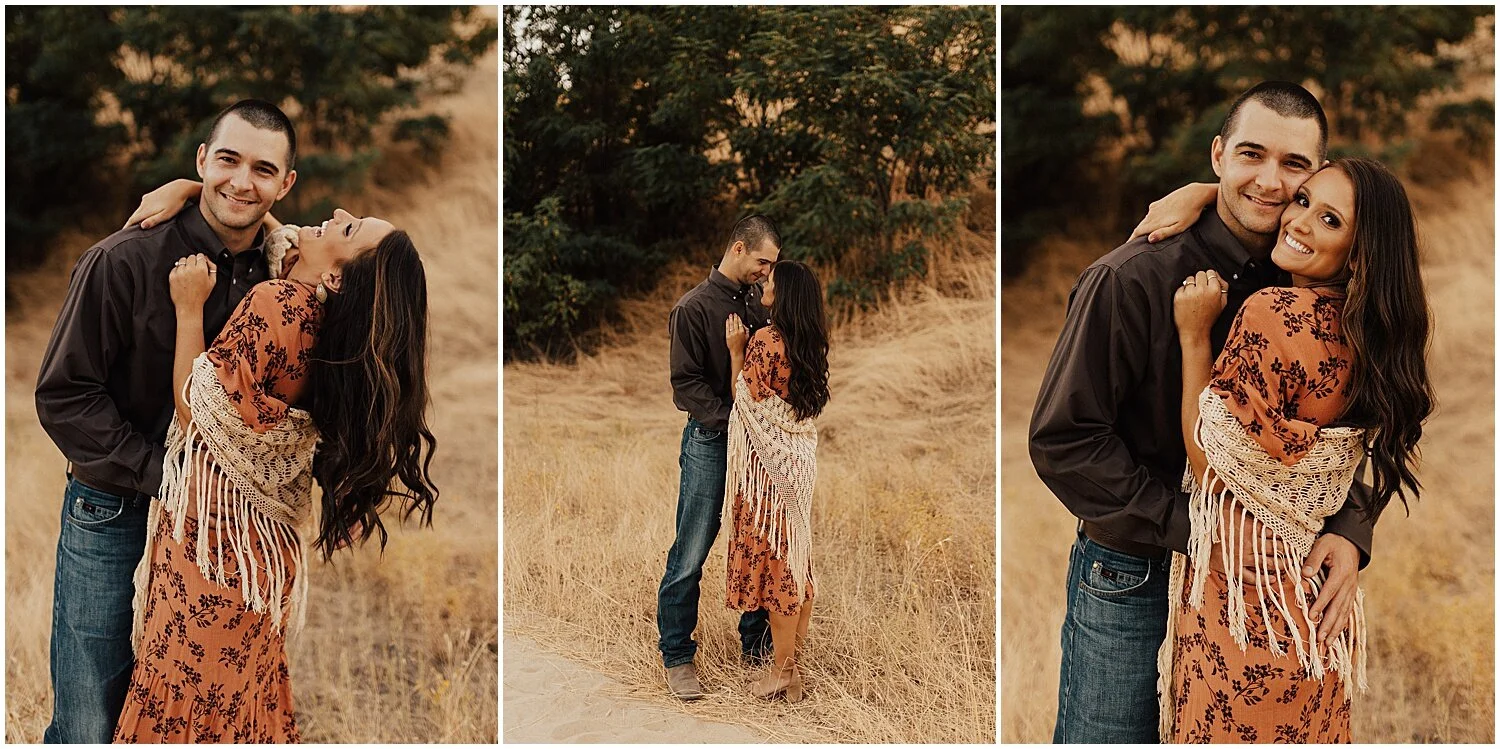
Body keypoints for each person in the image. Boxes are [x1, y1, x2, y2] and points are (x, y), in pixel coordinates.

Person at [1028, 81, 1381, 743]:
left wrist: (1352, 527)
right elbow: (1063, 438)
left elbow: (1360, 424)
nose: (1271, 183)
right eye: (1251, 154)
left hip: (1266, 576)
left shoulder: (1308, 272)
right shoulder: (1133, 277)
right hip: (1132, 568)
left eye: (1295, 167)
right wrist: (1195, 528)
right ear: (1217, 154)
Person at [104, 176, 439, 740]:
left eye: (350, 227)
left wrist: (190, 308)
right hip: (261, 555)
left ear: (337, 276)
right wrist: (193, 187)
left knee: (185, 707)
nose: (336, 210)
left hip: (212, 547)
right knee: (237, 707)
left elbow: (197, 411)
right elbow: (291, 246)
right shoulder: (323, 324)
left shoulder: (275, 303)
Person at [1140, 157, 1433, 742]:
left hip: (1245, 602)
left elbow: (1210, 459)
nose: (1298, 222)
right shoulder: (1371, 336)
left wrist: (1195, 335)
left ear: (1360, 251)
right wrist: (1204, 192)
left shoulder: (1272, 314)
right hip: (1316, 608)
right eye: (1302, 203)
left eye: (1329, 220)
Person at [35, 99, 297, 744]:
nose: (242, 181)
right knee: (89, 710)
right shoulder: (123, 259)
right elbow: (65, 394)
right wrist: (164, 473)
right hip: (114, 492)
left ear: (286, 185)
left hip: (221, 519)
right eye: (227, 160)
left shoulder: (281, 265)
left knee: (198, 695)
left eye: (264, 170)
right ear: (201, 160)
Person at [659, 215, 781, 700]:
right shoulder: (692, 307)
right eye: (762, 262)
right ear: (737, 248)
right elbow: (684, 384)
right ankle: (677, 656)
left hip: (760, 443)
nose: (767, 272)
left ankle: (757, 648)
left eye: (772, 265)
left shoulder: (762, 302)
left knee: (757, 541)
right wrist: (732, 422)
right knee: (691, 549)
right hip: (711, 440)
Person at [723, 260, 830, 702]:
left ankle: (782, 672)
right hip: (800, 464)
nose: (764, 282)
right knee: (797, 561)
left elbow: (743, 401)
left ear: (784, 294)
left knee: (780, 571)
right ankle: (794, 675)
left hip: (768, 472)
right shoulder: (811, 342)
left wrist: (735, 351)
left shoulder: (765, 341)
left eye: (771, 280)